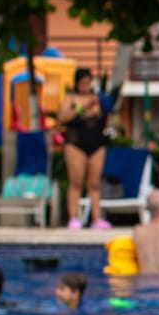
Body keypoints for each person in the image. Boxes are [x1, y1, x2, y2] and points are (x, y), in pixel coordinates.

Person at [49, 68, 113, 231]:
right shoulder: (71, 98)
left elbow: (108, 118)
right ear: (77, 84)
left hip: (96, 144)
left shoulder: (98, 99)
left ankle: (97, 219)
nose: (85, 86)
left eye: (88, 83)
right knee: (76, 183)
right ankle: (73, 218)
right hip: (76, 144)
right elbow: (62, 118)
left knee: (94, 184)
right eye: (82, 83)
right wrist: (81, 107)